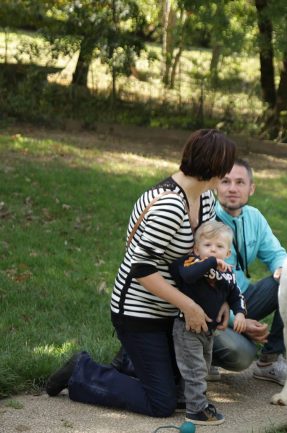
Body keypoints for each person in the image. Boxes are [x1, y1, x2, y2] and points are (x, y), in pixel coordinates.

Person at [45, 129, 237, 417]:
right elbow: (141, 270)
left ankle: (129, 362)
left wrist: (220, 300)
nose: (225, 175)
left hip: (170, 313)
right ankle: (82, 371)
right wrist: (189, 306)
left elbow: (203, 257)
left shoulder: (205, 198)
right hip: (139, 312)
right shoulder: (170, 206)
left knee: (182, 393)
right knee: (161, 403)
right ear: (212, 167)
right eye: (224, 168)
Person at [210, 158, 287, 386]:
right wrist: (238, 322)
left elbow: (276, 253)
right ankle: (203, 358)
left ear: (251, 188)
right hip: (209, 306)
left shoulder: (254, 217)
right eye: (226, 181)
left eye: (240, 182)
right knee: (242, 354)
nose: (232, 188)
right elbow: (198, 291)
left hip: (241, 298)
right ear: (216, 186)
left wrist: (282, 268)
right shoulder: (206, 219)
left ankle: (269, 361)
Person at [170, 220, 247, 425]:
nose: (213, 249)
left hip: (209, 332)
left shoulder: (228, 274)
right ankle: (196, 410)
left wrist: (239, 313)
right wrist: (211, 262)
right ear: (196, 249)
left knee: (201, 368)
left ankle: (184, 399)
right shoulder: (191, 264)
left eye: (219, 247)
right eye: (207, 245)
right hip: (187, 330)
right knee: (194, 369)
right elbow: (188, 276)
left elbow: (236, 294)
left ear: (228, 253)